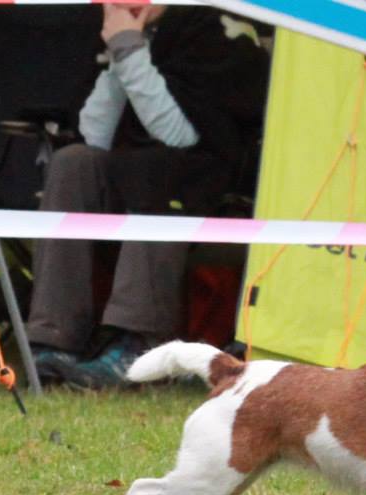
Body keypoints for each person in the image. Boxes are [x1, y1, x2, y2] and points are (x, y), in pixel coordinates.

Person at [26, 3, 269, 388]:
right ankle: (53, 336)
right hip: (139, 176)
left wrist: (128, 49)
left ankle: (137, 344)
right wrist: (120, 56)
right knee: (74, 162)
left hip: (208, 185)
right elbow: (94, 136)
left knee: (159, 170)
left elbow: (181, 138)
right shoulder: (131, 31)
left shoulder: (214, 28)